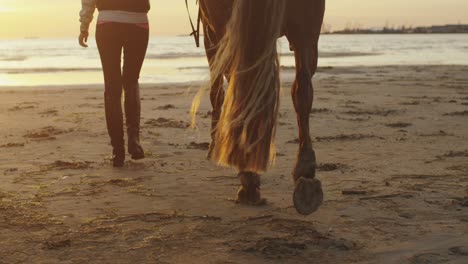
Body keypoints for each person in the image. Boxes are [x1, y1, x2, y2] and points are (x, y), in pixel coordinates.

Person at [79, 0, 150, 167]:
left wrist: (84, 25)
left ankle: (118, 150)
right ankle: (134, 142)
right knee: (131, 81)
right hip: (138, 24)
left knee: (112, 86)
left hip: (108, 24)